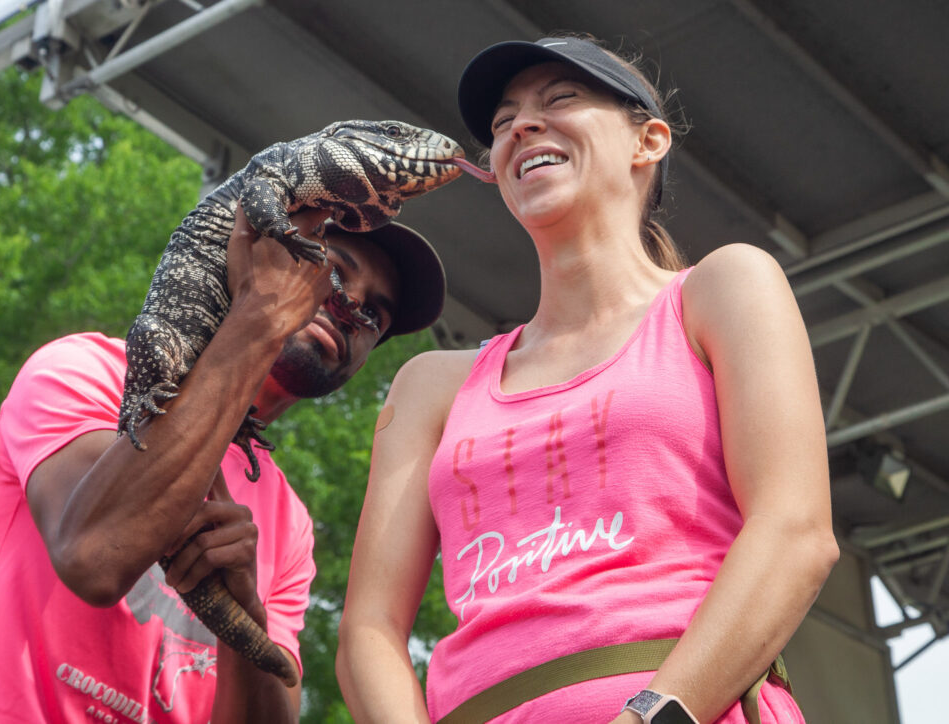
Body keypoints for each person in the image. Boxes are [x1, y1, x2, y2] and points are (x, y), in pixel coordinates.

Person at [335, 32, 840, 724]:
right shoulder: (432, 387)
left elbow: (795, 530)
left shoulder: (723, 290)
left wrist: (651, 716)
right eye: (502, 121)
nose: (521, 126)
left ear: (649, 141)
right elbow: (369, 628)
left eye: (560, 98)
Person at [0, 205, 446, 723]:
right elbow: (94, 558)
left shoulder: (290, 526)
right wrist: (258, 318)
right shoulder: (89, 373)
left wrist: (246, 612)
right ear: (262, 260)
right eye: (334, 271)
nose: (351, 303)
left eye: (375, 315)